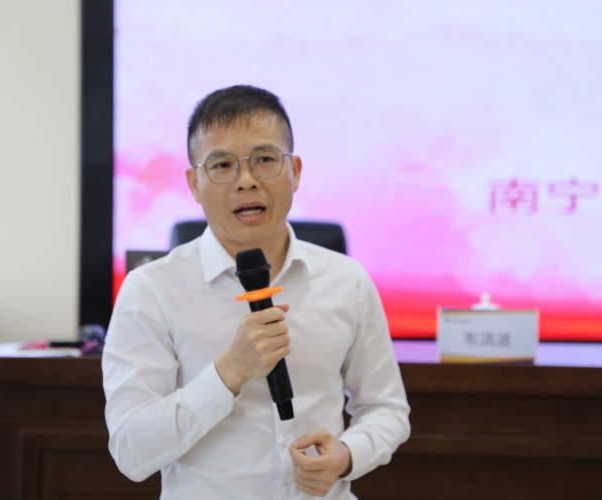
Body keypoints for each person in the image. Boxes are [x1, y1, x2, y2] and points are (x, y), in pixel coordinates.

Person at [102, 84, 410, 499]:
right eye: (222, 165)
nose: (246, 181)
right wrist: (229, 372)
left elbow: (386, 409)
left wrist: (348, 455)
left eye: (265, 159)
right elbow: (131, 451)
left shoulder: (346, 280)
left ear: (295, 171)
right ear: (194, 184)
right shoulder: (151, 291)